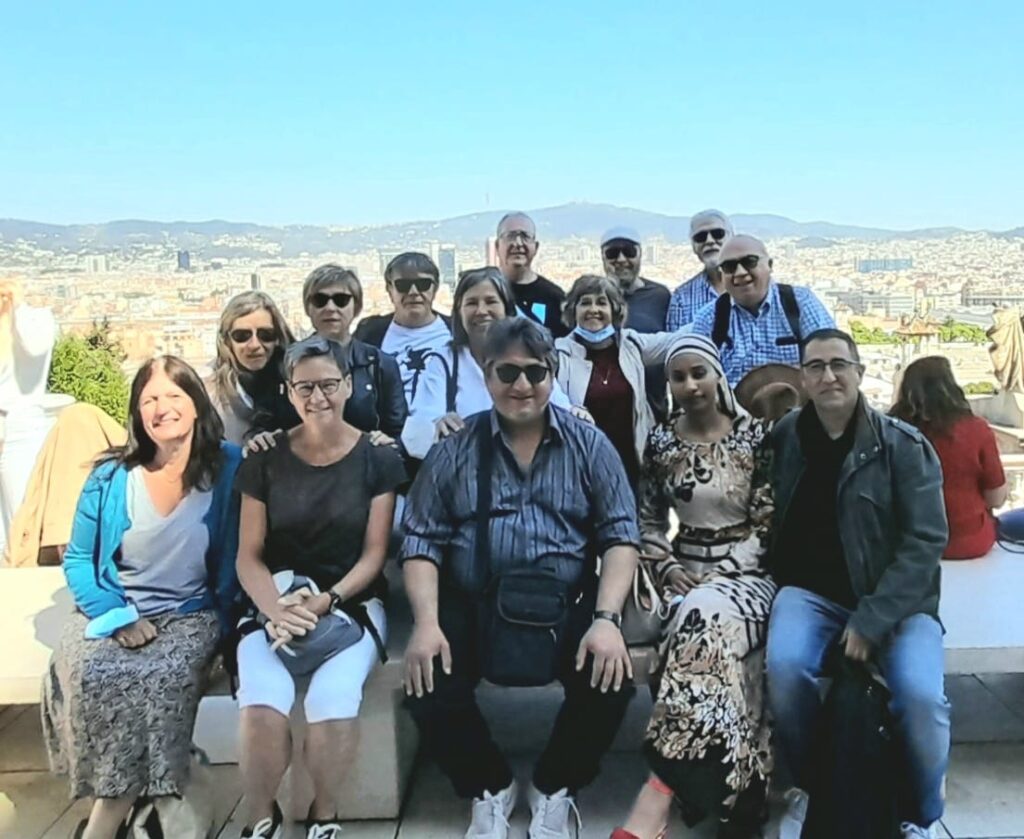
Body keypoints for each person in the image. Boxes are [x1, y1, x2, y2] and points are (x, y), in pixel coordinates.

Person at [401, 317, 640, 839]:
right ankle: (488, 784)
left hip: (564, 600)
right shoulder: (455, 450)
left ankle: (555, 784)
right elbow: (421, 540)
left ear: (553, 374)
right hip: (475, 600)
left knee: (611, 680)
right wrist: (426, 623)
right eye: (507, 372)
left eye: (535, 372)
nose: (522, 385)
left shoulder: (589, 445)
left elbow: (621, 534)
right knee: (427, 680)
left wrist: (606, 619)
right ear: (487, 375)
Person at [41, 356, 242, 839]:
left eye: (174, 396)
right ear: (136, 411)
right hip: (114, 606)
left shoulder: (230, 467)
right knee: (91, 675)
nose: (161, 408)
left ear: (197, 404)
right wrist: (115, 615)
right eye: (149, 399)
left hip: (191, 613)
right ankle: (137, 809)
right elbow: (79, 560)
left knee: (162, 678)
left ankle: (103, 824)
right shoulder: (110, 476)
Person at [766, 329, 950, 839]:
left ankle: (921, 811)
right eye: (816, 367)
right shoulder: (786, 438)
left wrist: (872, 619)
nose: (828, 376)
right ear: (802, 378)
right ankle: (813, 786)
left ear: (860, 373)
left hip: (899, 602)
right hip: (812, 595)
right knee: (785, 670)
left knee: (921, 699)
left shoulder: (903, 446)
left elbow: (925, 542)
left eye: (839, 365)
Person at [234, 336, 406, 839]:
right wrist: (275, 610)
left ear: (348, 386)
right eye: (305, 387)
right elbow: (248, 555)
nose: (318, 398)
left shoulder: (378, 458)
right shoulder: (263, 459)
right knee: (262, 701)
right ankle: (261, 818)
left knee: (333, 700)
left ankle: (324, 814)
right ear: (288, 392)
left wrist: (327, 600)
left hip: (351, 604)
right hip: (274, 603)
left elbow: (374, 554)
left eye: (329, 385)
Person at [613, 334, 776, 839]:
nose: (690, 385)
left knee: (702, 614)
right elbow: (646, 520)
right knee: (710, 639)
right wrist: (664, 567)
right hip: (681, 573)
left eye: (698, 373)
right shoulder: (662, 442)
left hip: (749, 576)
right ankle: (741, 799)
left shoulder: (758, 437)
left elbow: (768, 523)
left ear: (718, 375)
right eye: (678, 377)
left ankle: (659, 792)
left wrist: (721, 573)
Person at [400, 266, 572, 460]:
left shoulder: (530, 355)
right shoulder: (445, 362)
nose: (481, 311)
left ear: (507, 309)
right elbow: (417, 431)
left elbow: (562, 415)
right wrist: (436, 426)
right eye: (471, 303)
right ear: (459, 312)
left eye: (491, 301)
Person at [554, 274, 681, 491]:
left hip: (632, 469)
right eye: (585, 303)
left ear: (615, 310)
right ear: (573, 310)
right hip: (583, 474)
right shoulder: (559, 354)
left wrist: (724, 305)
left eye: (601, 302)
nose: (593, 309)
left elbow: (679, 338)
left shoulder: (632, 344)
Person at [890, 355, 1007, 559]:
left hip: (908, 543)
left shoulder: (892, 431)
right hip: (969, 542)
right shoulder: (976, 430)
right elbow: (996, 498)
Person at [691, 235, 835, 386]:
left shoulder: (800, 303)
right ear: (722, 275)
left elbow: (831, 358)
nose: (740, 272)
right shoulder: (709, 319)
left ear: (770, 265)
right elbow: (696, 377)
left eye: (749, 262)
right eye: (729, 266)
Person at [302, 264, 406, 441]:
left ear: (356, 307)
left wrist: (387, 442)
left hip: (366, 457)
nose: (330, 308)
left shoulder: (381, 365)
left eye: (341, 300)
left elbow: (398, 430)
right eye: (320, 300)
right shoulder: (288, 363)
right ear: (307, 308)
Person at [0, 278, 58, 553]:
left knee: (22, 516)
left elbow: (34, 346)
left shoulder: (37, 320)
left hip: (22, 429)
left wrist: (18, 305)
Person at [353, 251, 452, 403]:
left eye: (423, 284)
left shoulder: (457, 331)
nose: (413, 292)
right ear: (389, 289)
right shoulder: (370, 334)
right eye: (403, 285)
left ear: (435, 288)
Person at [206, 291, 298, 445]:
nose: (254, 345)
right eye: (242, 336)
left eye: (266, 335)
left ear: (278, 338)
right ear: (227, 340)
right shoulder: (209, 394)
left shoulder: (301, 382)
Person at [600, 227, 672, 422]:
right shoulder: (593, 299)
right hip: (604, 412)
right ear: (603, 258)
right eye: (612, 253)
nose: (621, 259)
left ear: (640, 254)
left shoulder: (660, 296)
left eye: (629, 252)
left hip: (654, 411)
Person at [496, 211, 568, 338]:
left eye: (526, 236)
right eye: (510, 236)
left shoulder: (554, 297)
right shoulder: (487, 292)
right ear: (497, 246)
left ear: (536, 247)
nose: (518, 243)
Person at [665, 210, 734, 331]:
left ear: (732, 238)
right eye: (700, 237)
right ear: (694, 247)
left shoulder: (754, 287)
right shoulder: (682, 298)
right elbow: (676, 341)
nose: (709, 241)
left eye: (718, 234)